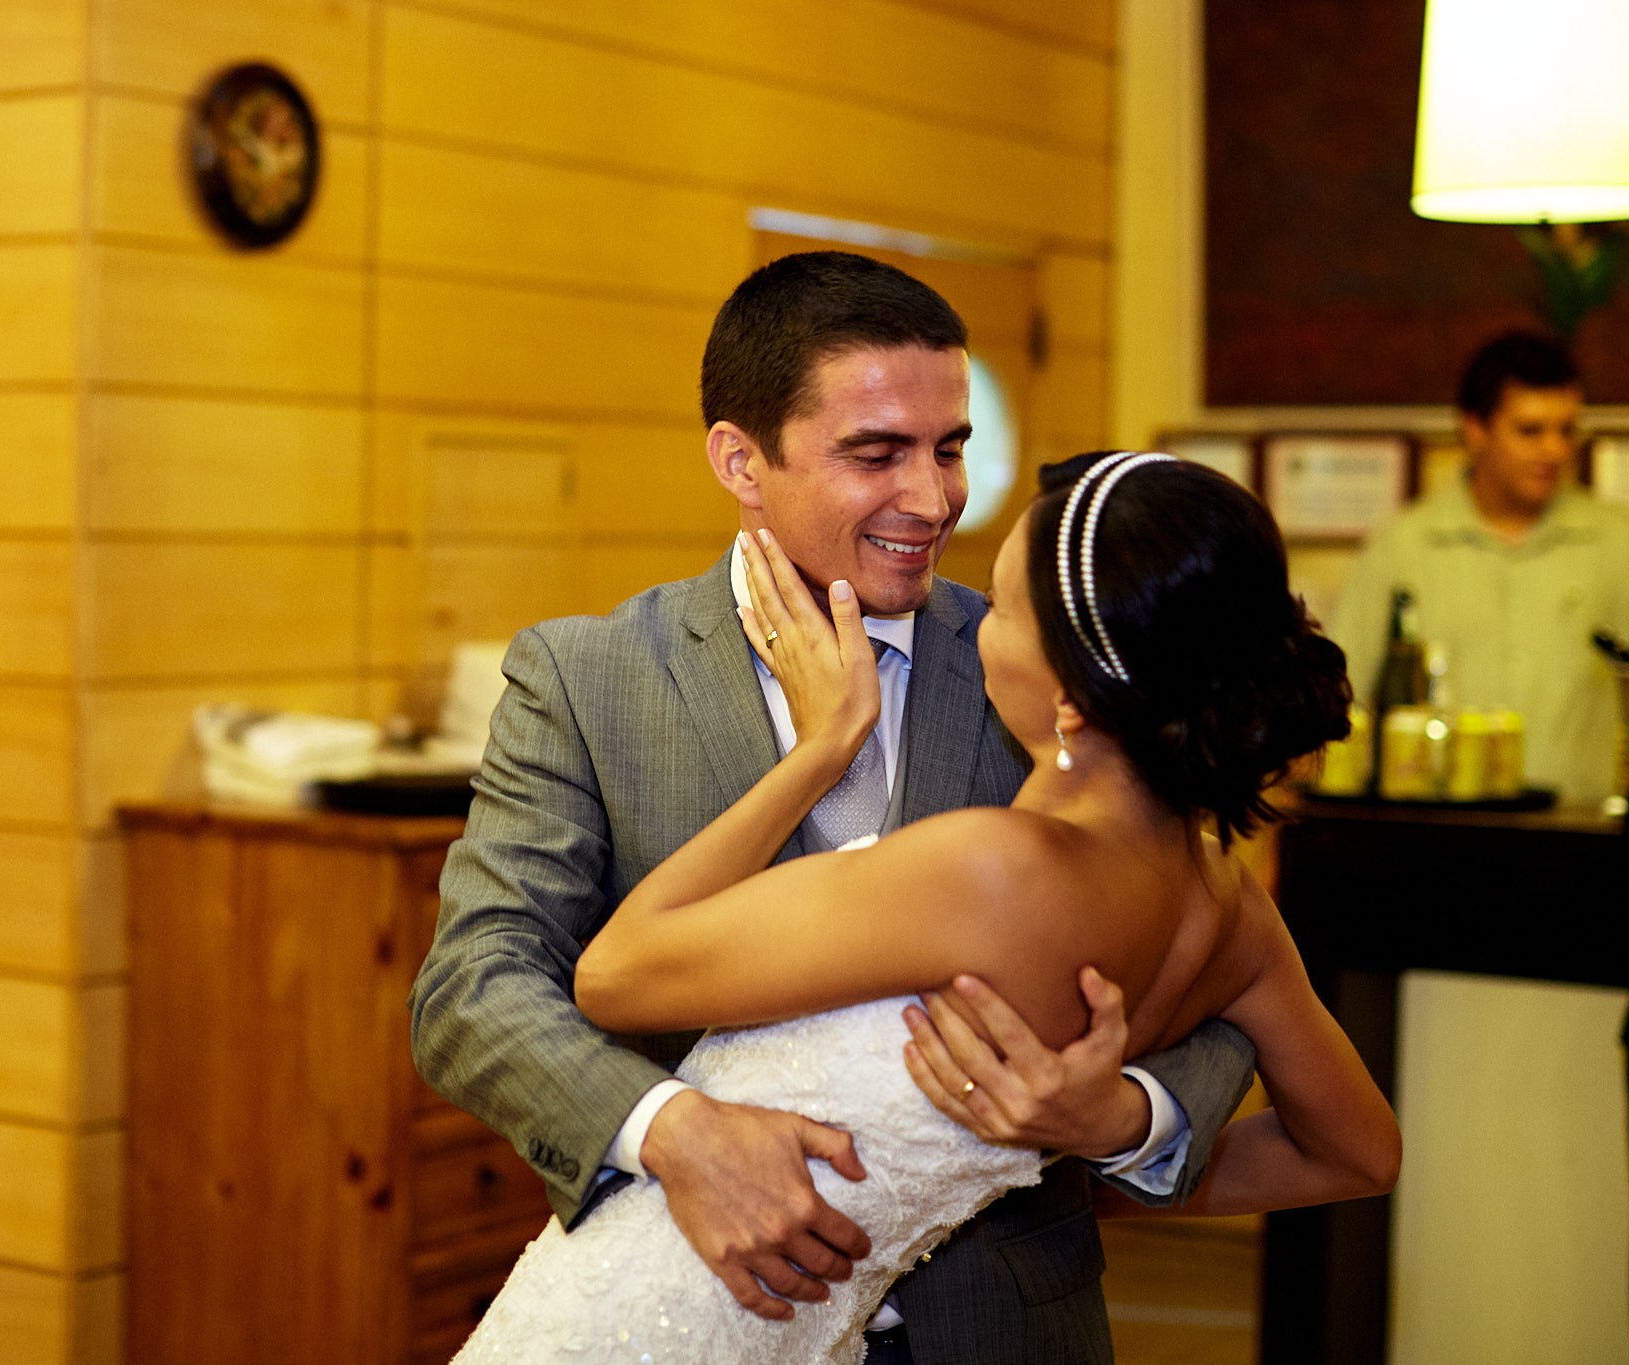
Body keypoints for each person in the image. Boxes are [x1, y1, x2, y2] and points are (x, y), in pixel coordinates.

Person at [411, 252, 1259, 1365]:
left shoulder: (1043, 665)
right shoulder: (586, 679)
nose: (933, 496)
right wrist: (671, 1132)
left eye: (948, 448)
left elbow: (1217, 961)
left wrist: (1121, 1113)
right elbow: (473, 987)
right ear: (739, 459)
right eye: (876, 454)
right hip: (700, 1310)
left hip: (1001, 1328)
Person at [448, 453, 1400, 1363]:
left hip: (652, 1322)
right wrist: (1058, 1162)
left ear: (1073, 695)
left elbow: (615, 975)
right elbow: (1362, 1152)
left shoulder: (989, 868)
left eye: (1006, 607)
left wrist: (822, 749)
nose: (973, 616)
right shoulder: (1232, 907)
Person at [1330, 330, 1629, 805]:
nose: (1553, 450)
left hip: (1582, 840)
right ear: (1475, 429)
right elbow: (1344, 700)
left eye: (1566, 430)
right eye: (1530, 431)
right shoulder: (1403, 545)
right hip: (1441, 836)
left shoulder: (1618, 542)